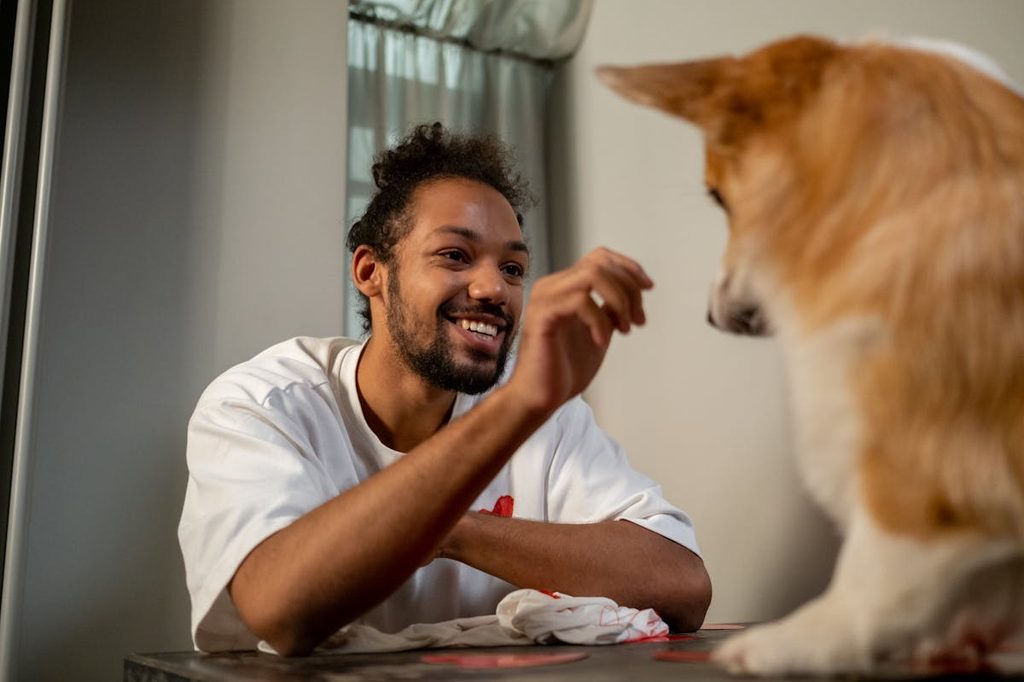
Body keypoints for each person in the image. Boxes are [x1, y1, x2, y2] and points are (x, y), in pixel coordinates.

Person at [178, 123, 711, 656]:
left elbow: (683, 584)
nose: (493, 289)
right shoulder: (261, 403)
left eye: (513, 268)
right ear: (371, 271)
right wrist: (518, 405)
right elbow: (278, 609)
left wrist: (453, 528)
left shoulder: (543, 412)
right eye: (455, 255)